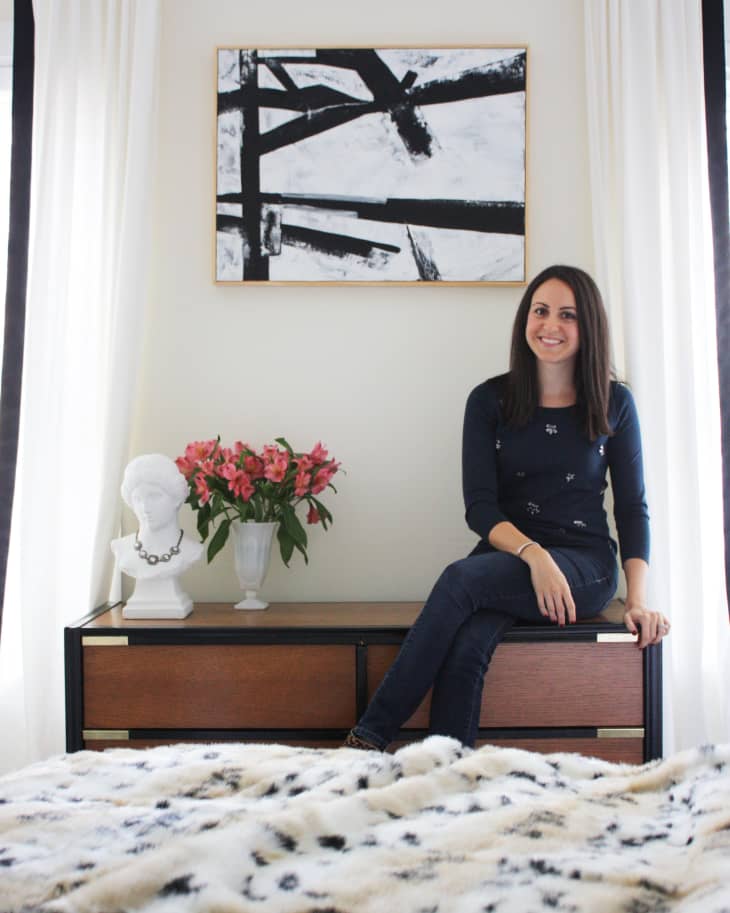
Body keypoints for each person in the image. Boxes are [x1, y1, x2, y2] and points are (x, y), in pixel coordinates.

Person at [345, 264, 670, 752]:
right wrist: (534, 555)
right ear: (525, 319)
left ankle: (366, 741)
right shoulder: (489, 400)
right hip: (510, 554)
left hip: (585, 565)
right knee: (468, 643)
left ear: (589, 327)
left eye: (567, 315)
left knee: (459, 579)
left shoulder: (614, 402)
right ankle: (446, 773)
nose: (550, 325)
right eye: (540, 311)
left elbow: (632, 508)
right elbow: (479, 507)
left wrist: (638, 600)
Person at [111, 453, 203, 618]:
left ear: (176, 499)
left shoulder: (191, 550)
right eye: (137, 499)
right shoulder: (121, 548)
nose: (145, 507)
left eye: (154, 496)